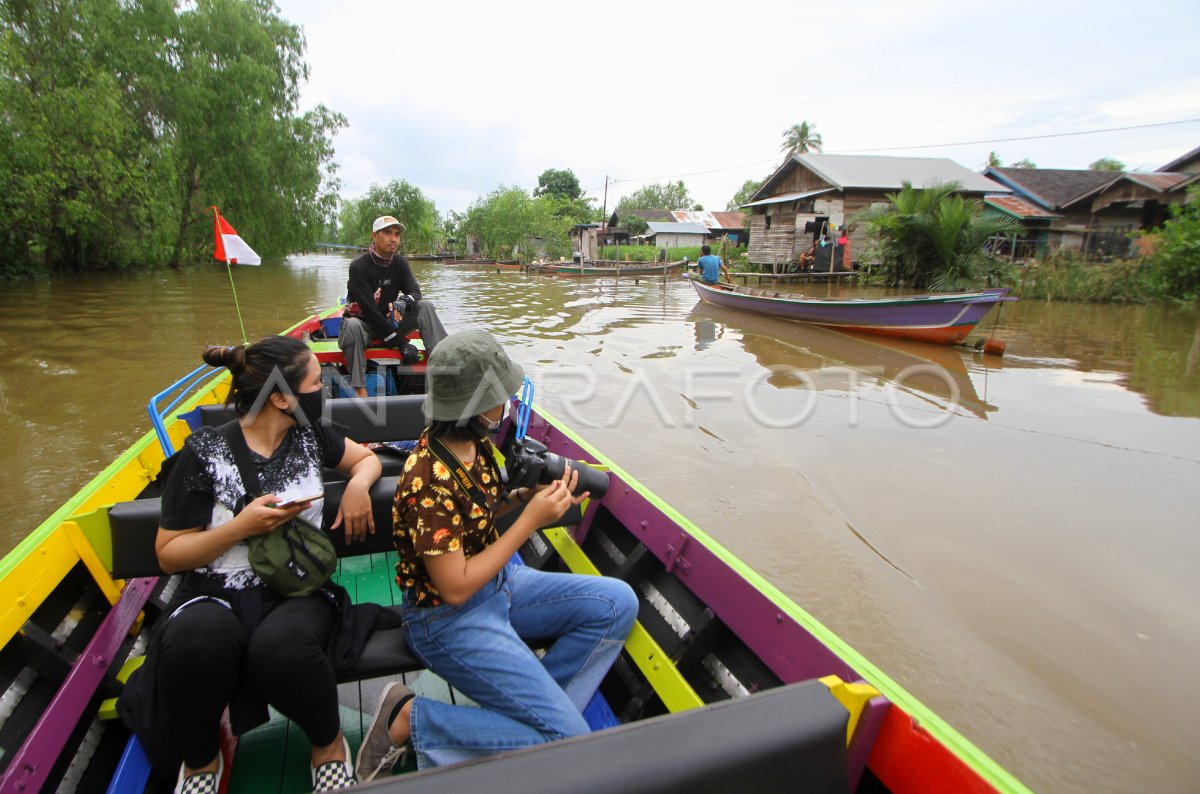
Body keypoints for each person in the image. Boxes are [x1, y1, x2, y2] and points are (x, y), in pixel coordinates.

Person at [355, 330, 638, 781]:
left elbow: (482, 512)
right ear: (472, 407)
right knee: (563, 741)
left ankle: (535, 720)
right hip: (445, 620)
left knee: (617, 603)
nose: (505, 403)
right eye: (497, 396)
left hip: (500, 586)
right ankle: (412, 716)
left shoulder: (475, 446)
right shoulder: (428, 478)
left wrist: (522, 498)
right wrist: (529, 521)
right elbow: (454, 587)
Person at [134, 337, 384, 793]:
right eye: (314, 382)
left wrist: (357, 486)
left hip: (296, 587)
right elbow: (168, 553)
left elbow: (365, 459)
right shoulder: (204, 453)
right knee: (193, 644)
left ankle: (328, 747)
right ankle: (201, 761)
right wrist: (239, 528)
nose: (322, 389)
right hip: (215, 591)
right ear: (280, 397)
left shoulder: (312, 435)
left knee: (281, 646)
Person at [339, 215, 448, 397]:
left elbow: (416, 294)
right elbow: (371, 314)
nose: (393, 238)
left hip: (390, 323)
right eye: (388, 233)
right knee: (351, 325)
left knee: (425, 306)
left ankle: (443, 370)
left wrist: (403, 302)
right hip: (365, 326)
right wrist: (402, 343)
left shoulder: (399, 263)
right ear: (374, 235)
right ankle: (359, 387)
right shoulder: (359, 267)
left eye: (397, 234)